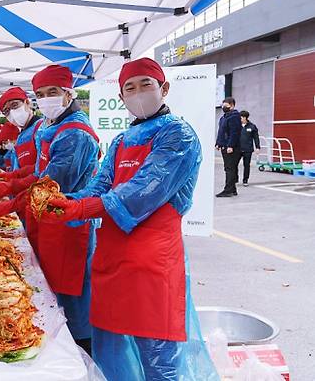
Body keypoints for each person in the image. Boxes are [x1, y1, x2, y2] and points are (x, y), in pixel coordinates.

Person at [40, 57, 218, 381]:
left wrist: (84, 209)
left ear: (164, 88)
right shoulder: (122, 141)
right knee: (111, 349)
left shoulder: (179, 135)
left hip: (153, 263)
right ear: (121, 97)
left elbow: (144, 190)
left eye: (145, 85)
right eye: (129, 88)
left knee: (159, 358)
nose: (137, 93)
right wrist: (63, 202)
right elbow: (100, 185)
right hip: (112, 259)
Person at [0, 65, 100, 352]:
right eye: (42, 93)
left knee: (73, 294)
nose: (46, 99)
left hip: (69, 222)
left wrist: (9, 201)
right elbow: (38, 172)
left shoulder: (75, 133)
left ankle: (81, 352)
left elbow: (51, 186)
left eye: (52, 93)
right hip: (49, 220)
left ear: (69, 93)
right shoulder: (52, 127)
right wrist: (8, 184)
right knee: (53, 290)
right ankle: (64, 344)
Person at [0, 86, 42, 176]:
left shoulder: (42, 128)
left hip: (41, 188)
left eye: (14, 105)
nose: (12, 112)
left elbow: (44, 166)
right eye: (6, 111)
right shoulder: (21, 136)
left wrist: (16, 178)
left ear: (27, 102)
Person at [216, 97, 242, 197]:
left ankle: (228, 190)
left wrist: (231, 145)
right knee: (229, 168)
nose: (223, 107)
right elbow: (221, 132)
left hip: (231, 148)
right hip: (224, 146)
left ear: (232, 105)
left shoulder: (234, 116)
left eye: (226, 105)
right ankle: (233, 189)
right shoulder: (224, 117)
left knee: (230, 169)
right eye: (223, 105)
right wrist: (218, 143)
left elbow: (234, 132)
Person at [239, 110, 260, 186]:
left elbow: (256, 138)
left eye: (240, 117)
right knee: (234, 165)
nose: (239, 119)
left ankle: (245, 180)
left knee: (246, 165)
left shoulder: (252, 126)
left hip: (248, 149)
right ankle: (235, 178)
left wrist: (257, 147)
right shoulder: (236, 125)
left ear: (245, 118)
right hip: (237, 149)